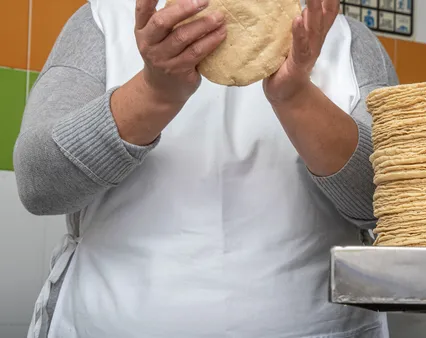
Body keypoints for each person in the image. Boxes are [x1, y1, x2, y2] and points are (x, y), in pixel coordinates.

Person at [14, 0, 398, 336]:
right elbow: (39, 184)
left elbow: (384, 205)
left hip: (318, 326)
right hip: (108, 320)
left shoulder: (347, 41)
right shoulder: (103, 20)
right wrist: (154, 92)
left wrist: (296, 97)